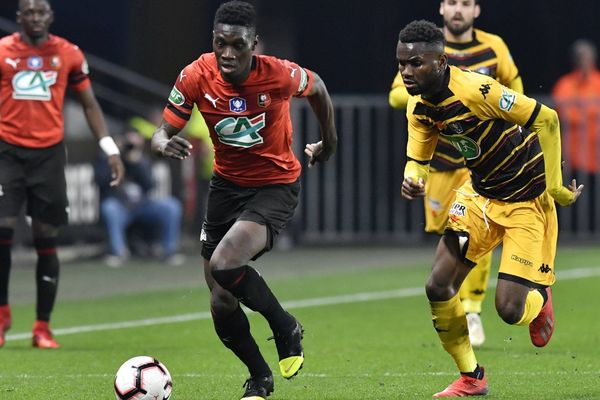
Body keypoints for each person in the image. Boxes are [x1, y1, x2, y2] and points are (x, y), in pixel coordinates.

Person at [150, 2, 337, 399]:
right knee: (219, 300)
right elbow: (159, 132)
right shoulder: (195, 75)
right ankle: (259, 377)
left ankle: (284, 325)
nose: (229, 53)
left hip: (275, 186)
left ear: (255, 44)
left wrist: (329, 142)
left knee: (224, 263)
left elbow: (317, 85)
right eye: (221, 44)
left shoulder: (278, 74)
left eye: (238, 44)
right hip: (225, 188)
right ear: (213, 42)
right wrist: (164, 142)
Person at [396, 20, 583, 397]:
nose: (406, 72)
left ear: (441, 60)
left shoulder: (477, 89)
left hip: (526, 202)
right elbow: (418, 158)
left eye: (416, 63)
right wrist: (412, 176)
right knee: (438, 284)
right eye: (401, 63)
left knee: (510, 310)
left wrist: (556, 188)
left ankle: (539, 297)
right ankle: (472, 377)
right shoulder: (419, 108)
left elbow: (547, 118)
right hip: (479, 198)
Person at [389, 0, 524, 347]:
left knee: (469, 235)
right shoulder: (421, 54)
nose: (458, 10)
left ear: (476, 10)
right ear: (442, 8)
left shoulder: (493, 47)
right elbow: (396, 93)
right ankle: (460, 309)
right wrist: (426, 101)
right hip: (441, 162)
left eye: (466, 3)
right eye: (452, 3)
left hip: (481, 164)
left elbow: (515, 90)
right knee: (447, 238)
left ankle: (473, 310)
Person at [0, 0, 124, 349]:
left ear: (50, 17)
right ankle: (2, 314)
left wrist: (110, 148)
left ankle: (42, 326)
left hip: (48, 155)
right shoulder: (3, 52)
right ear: (20, 17)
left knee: (45, 237)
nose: (36, 18)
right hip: (7, 151)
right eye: (29, 12)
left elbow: (89, 103)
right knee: (2, 229)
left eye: (42, 12)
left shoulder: (68, 54)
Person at [94, 129, 184, 268]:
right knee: (109, 207)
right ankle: (118, 252)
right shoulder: (109, 158)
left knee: (171, 206)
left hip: (142, 205)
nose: (131, 147)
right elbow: (101, 181)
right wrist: (115, 157)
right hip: (121, 206)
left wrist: (137, 163)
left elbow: (149, 185)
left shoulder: (141, 158)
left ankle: (169, 251)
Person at [552, 39, 600, 233]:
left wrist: (582, 113)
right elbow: (560, 112)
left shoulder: (598, 82)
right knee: (571, 199)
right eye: (580, 57)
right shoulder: (565, 84)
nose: (584, 61)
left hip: (596, 155)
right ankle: (567, 236)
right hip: (572, 156)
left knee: (594, 200)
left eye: (587, 57)